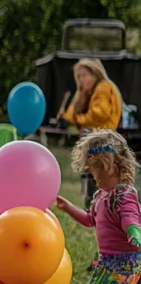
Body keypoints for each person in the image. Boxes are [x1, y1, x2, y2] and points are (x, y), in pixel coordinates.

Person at [55, 130, 141, 284]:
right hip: (108, 260)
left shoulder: (123, 195)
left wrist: (134, 232)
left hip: (127, 260)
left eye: (100, 174)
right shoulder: (102, 195)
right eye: (94, 175)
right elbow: (89, 220)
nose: (97, 180)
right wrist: (69, 208)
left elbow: (131, 217)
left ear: (117, 167)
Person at [59, 58, 124, 209]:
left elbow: (98, 114)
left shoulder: (103, 87)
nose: (81, 80)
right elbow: (71, 115)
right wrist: (79, 95)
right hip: (96, 139)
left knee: (98, 177)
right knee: (92, 177)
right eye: (79, 76)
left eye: (84, 75)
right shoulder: (91, 92)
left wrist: (78, 118)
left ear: (95, 74)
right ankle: (93, 209)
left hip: (104, 139)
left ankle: (97, 209)